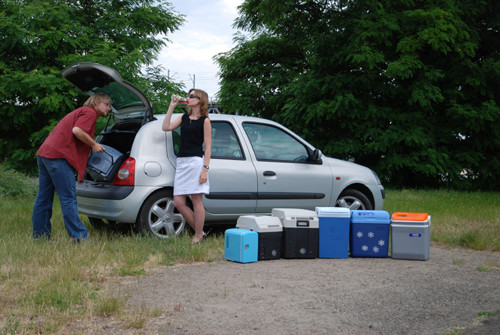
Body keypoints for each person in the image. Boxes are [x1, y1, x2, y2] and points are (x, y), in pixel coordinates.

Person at [32, 92, 111, 241]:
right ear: (96, 103)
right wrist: (93, 144)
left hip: (45, 154)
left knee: (43, 198)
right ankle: (79, 237)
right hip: (58, 158)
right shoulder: (89, 112)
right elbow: (77, 131)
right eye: (106, 104)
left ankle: (40, 237)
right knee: (68, 198)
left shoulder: (80, 111)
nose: (108, 108)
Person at [162, 88, 212, 243]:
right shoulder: (184, 117)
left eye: (191, 96)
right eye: (188, 96)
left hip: (196, 162)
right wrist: (172, 106)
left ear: (200, 100)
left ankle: (197, 236)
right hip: (182, 162)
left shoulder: (205, 121)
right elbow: (166, 127)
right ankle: (201, 233)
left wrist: (205, 169)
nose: (188, 98)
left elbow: (208, 147)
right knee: (178, 202)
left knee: (196, 199)